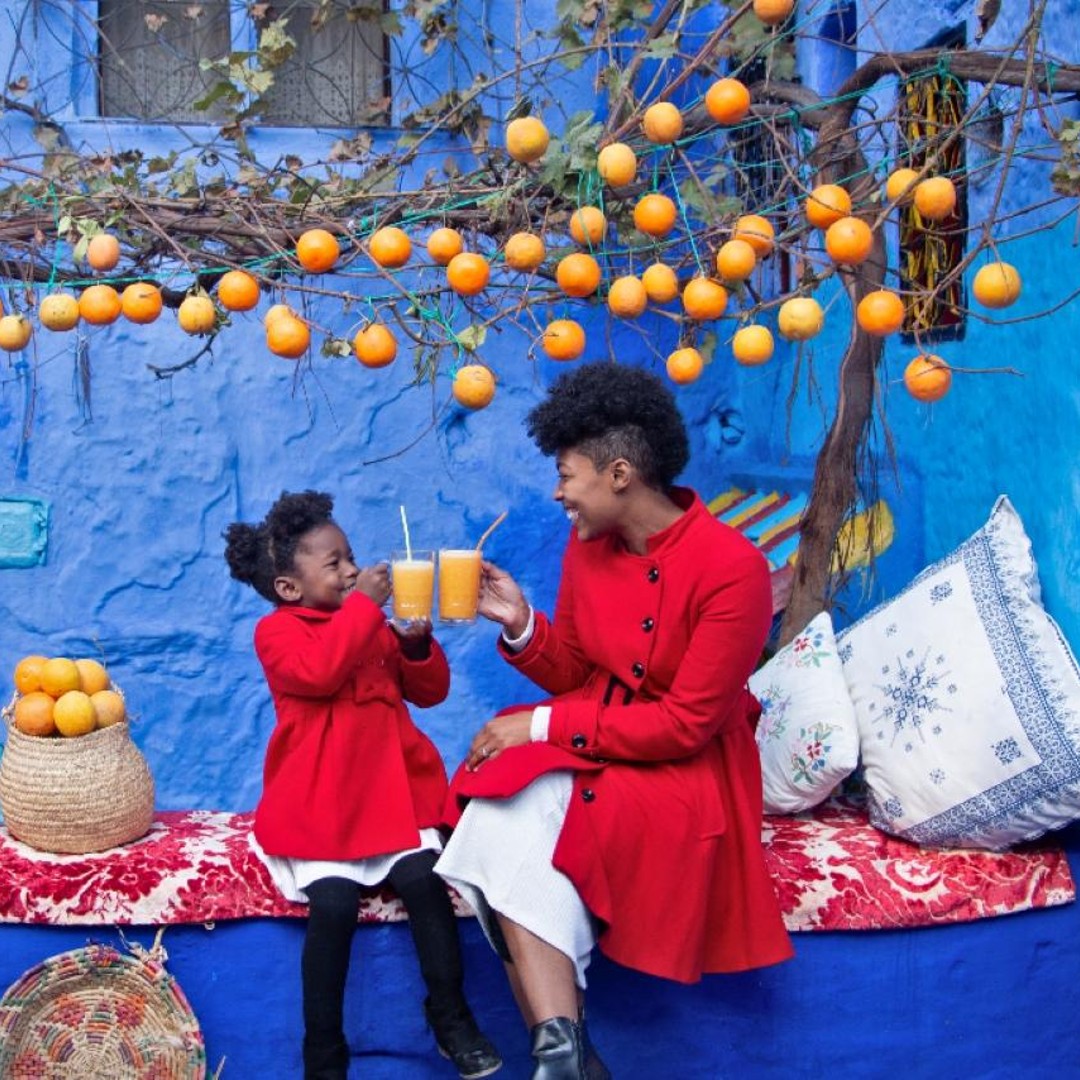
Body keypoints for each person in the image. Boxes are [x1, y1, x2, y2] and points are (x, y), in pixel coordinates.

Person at [435, 362, 794, 1078]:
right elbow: (577, 670)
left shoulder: (735, 570)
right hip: (601, 737)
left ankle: (567, 1058)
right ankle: (564, 1058)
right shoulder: (588, 546)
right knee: (495, 806)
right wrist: (520, 623)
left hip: (684, 773)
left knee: (512, 807)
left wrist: (541, 728)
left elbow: (685, 726)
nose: (558, 493)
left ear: (620, 474)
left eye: (566, 475)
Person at [223, 491, 501, 1080]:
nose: (352, 570)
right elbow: (319, 674)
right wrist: (365, 611)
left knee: (425, 883)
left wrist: (417, 647)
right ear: (289, 588)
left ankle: (451, 1017)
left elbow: (429, 693)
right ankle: (324, 1051)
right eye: (335, 564)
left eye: (350, 557)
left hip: (391, 795)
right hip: (322, 803)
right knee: (334, 905)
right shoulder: (277, 633)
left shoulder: (369, 627)